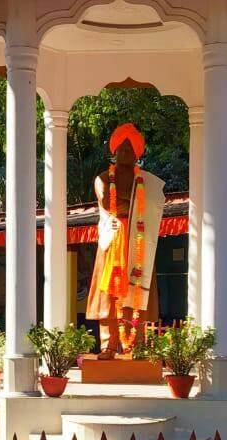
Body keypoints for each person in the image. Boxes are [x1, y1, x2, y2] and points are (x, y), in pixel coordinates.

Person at [85, 124, 167, 358]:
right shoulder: (103, 178)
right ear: (114, 152)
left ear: (137, 154)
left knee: (137, 292)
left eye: (130, 150)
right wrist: (127, 207)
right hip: (114, 241)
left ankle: (137, 345)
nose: (125, 154)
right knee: (109, 295)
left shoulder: (147, 182)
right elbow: (110, 204)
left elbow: (154, 204)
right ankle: (108, 346)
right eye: (121, 149)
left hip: (138, 242)